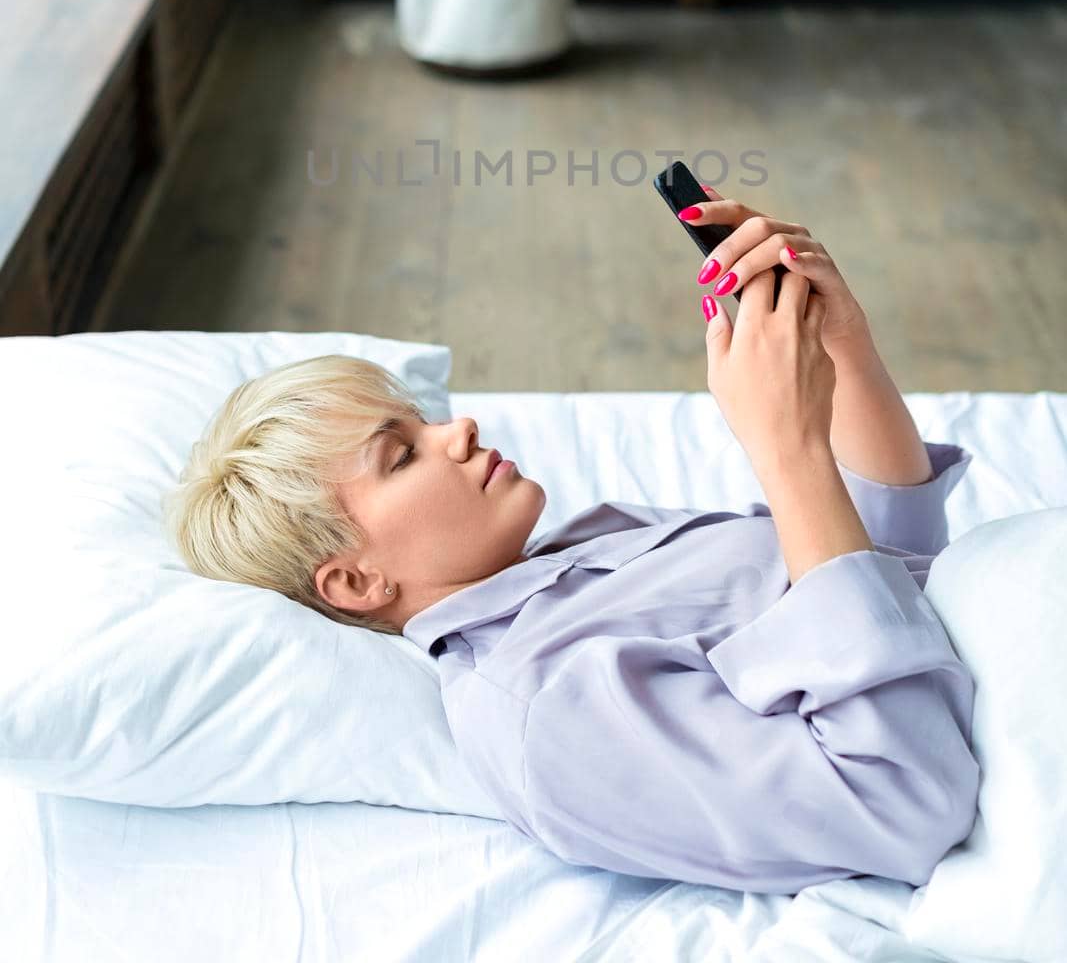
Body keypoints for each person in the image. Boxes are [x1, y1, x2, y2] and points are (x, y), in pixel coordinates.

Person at [165, 189, 980, 894]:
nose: (458, 430)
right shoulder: (541, 713)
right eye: (401, 454)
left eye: (421, 421)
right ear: (353, 583)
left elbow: (890, 568)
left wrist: (842, 345)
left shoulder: (580, 552)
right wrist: (785, 452)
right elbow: (902, 800)